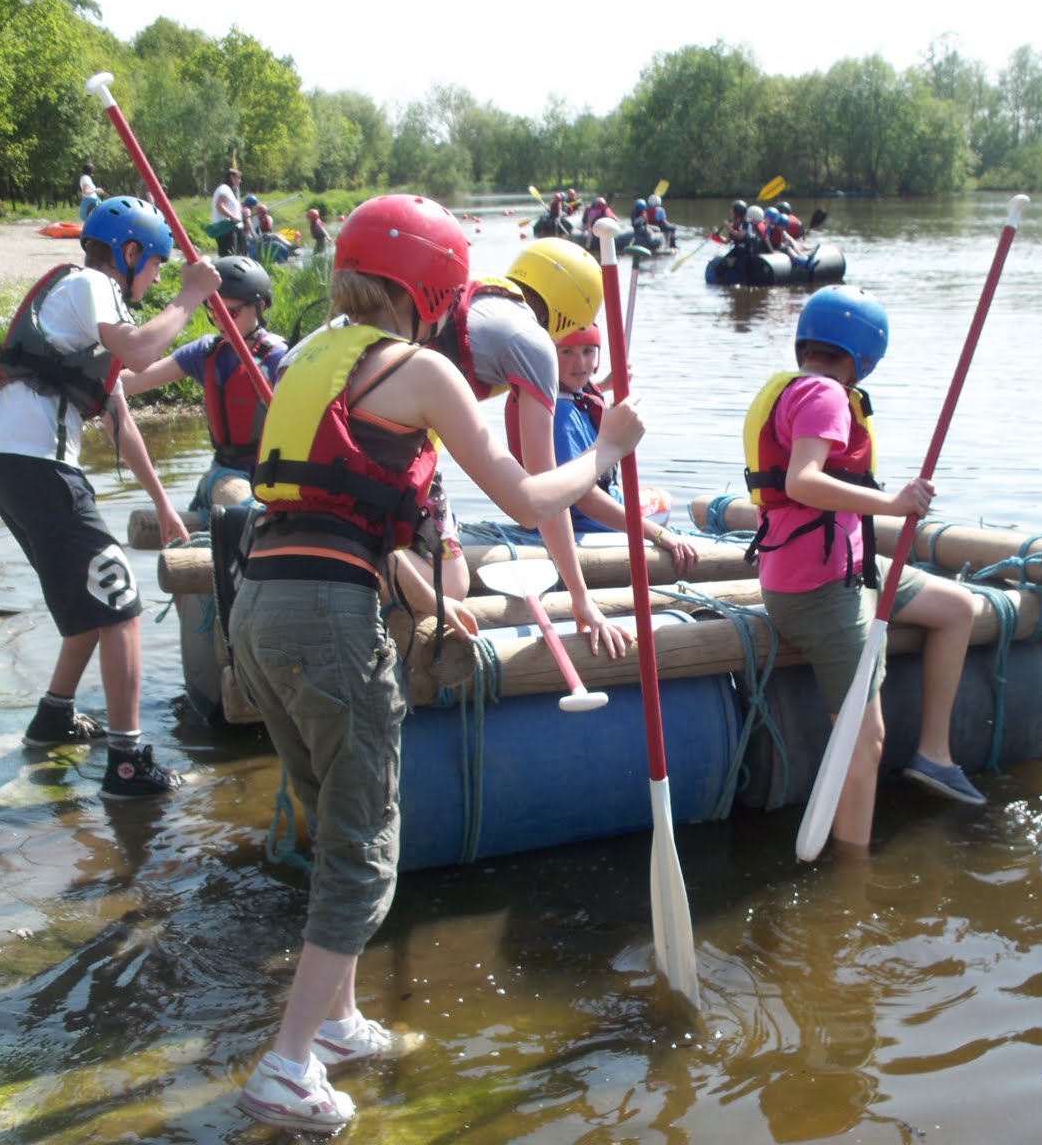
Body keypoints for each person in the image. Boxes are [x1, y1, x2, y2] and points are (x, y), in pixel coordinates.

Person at [231, 193, 645, 1133]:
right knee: (369, 842)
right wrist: (609, 449)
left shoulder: (307, 355)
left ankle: (333, 1024)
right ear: (434, 287)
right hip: (328, 616)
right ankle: (286, 1064)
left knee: (331, 812)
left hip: (254, 606)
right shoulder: (422, 371)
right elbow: (531, 489)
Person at [0, 196, 221, 797]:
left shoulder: (81, 313)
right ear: (129, 253)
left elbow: (120, 419)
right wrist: (190, 296)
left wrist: (163, 505)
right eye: (156, 264)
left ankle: (54, 715)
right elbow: (139, 351)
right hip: (38, 468)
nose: (158, 277)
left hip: (14, 467)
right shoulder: (91, 284)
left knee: (92, 597)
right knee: (122, 604)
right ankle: (128, 765)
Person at [744, 287, 985, 857]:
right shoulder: (826, 395)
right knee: (864, 740)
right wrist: (897, 505)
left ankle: (934, 754)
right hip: (819, 590)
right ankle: (851, 877)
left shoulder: (803, 388)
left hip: (855, 568)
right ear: (867, 356)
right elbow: (803, 481)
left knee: (958, 609)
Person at [416, 236, 632, 656]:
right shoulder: (534, 343)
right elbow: (543, 491)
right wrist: (580, 596)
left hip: (375, 424)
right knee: (453, 582)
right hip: (395, 442)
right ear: (573, 311)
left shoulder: (486, 295)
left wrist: (597, 389)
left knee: (452, 575)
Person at [503, 323, 698, 574]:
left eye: (588, 352)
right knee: (663, 502)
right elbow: (585, 499)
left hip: (566, 514)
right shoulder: (562, 415)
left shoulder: (551, 396)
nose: (580, 364)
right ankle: (651, 570)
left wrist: (604, 385)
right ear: (548, 355)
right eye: (567, 353)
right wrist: (659, 535)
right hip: (583, 520)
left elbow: (578, 390)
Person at [119, 254, 286, 488]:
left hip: (271, 478)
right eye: (214, 312)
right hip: (222, 475)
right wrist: (90, 383)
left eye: (232, 313)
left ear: (260, 307)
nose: (221, 322)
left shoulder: (280, 358)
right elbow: (140, 379)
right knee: (143, 522)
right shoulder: (205, 352)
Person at [212, 167, 245, 257]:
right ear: (232, 177)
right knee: (228, 256)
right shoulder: (224, 189)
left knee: (239, 255)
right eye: (238, 178)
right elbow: (219, 206)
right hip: (226, 229)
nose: (240, 181)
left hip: (230, 229)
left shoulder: (228, 190)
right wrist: (233, 218)